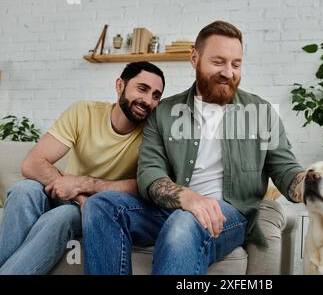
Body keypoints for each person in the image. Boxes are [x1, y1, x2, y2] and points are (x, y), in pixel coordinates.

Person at [82, 21, 305, 275]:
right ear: (194, 58)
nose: (228, 72)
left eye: (236, 64)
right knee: (101, 206)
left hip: (228, 215)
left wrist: (312, 184)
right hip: (169, 209)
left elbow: (286, 170)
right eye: (218, 62)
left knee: (183, 223)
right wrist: (186, 197)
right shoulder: (164, 112)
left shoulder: (261, 112)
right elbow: (150, 174)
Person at [0, 61, 165, 274]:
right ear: (120, 86)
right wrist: (78, 196)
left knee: (62, 217)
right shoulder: (84, 112)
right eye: (142, 89)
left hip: (100, 206)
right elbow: (33, 163)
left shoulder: (151, 134)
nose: (148, 100)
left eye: (156, 95)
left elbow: (143, 185)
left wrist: (82, 187)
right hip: (66, 194)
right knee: (24, 191)